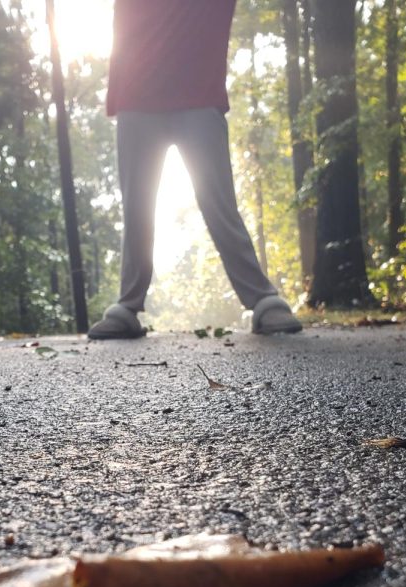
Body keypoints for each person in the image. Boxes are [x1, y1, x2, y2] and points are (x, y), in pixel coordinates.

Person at [87, 0, 303, 340]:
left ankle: (263, 299)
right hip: (136, 97)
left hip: (198, 96)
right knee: (137, 207)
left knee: (219, 203)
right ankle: (127, 306)